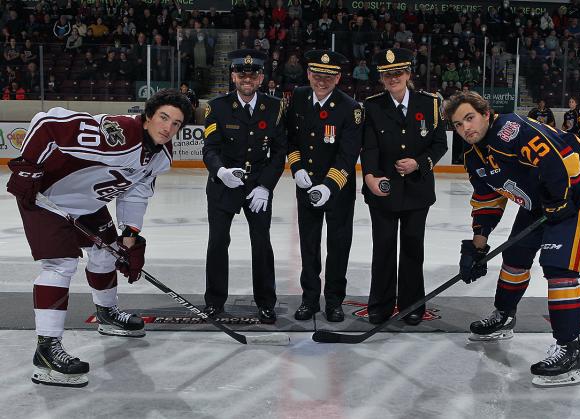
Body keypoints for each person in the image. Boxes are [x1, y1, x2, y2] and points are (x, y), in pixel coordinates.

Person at [6, 89, 193, 387]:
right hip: (47, 196)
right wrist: (29, 166)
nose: (167, 128)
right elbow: (47, 123)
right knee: (61, 265)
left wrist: (130, 235)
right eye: (163, 118)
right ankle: (46, 350)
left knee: (108, 252)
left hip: (89, 203)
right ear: (148, 117)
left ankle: (106, 314)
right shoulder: (117, 135)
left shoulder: (161, 155)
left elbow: (138, 190)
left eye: (176, 124)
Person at [444, 91, 580, 387]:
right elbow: (487, 200)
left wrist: (559, 198)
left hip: (579, 196)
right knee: (516, 258)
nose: (465, 128)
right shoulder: (474, 156)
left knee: (559, 269)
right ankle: (504, 315)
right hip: (541, 201)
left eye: (469, 118)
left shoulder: (510, 129)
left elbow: (554, 157)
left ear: (485, 113)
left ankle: (569, 351)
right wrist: (477, 247)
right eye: (457, 124)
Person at [361, 48, 448, 325]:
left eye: (398, 73)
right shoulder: (373, 105)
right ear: (381, 79)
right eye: (387, 74)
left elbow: (439, 144)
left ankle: (413, 306)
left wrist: (419, 164)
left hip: (417, 189)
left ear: (409, 74)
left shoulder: (430, 104)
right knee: (383, 248)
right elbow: (370, 147)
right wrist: (371, 177)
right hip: (383, 190)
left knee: (413, 249)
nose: (393, 78)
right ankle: (380, 305)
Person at [202, 49, 287, 324]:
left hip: (257, 187)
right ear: (233, 76)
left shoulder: (275, 107)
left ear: (261, 77)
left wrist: (265, 186)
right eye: (241, 74)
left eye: (252, 74)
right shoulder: (216, 107)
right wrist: (221, 171)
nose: (246, 79)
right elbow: (209, 149)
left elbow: (278, 153)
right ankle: (214, 302)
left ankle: (266, 303)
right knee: (218, 242)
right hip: (224, 184)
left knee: (261, 244)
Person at [286, 49, 363, 322]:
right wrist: (296, 168)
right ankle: (309, 300)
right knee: (309, 245)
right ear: (308, 74)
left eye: (328, 77)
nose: (321, 81)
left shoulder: (350, 108)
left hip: (338, 189)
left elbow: (348, 153)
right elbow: (290, 138)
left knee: (339, 246)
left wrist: (329, 186)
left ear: (338, 77)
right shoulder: (297, 98)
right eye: (317, 75)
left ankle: (333, 301)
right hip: (306, 184)